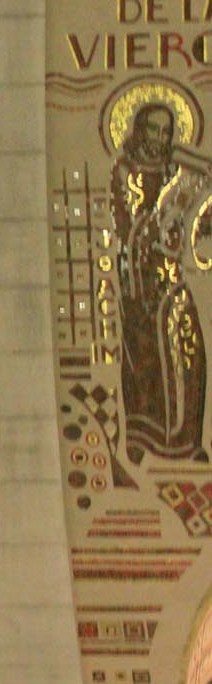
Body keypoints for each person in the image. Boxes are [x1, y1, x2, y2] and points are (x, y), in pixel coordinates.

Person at [110, 101, 210, 463]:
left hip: (172, 281)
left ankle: (186, 441)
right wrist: (163, 215)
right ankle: (143, 438)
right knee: (145, 360)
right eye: (154, 129)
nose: (161, 138)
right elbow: (129, 223)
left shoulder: (177, 169)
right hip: (139, 285)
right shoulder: (125, 170)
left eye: (167, 132)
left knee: (189, 351)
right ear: (138, 130)